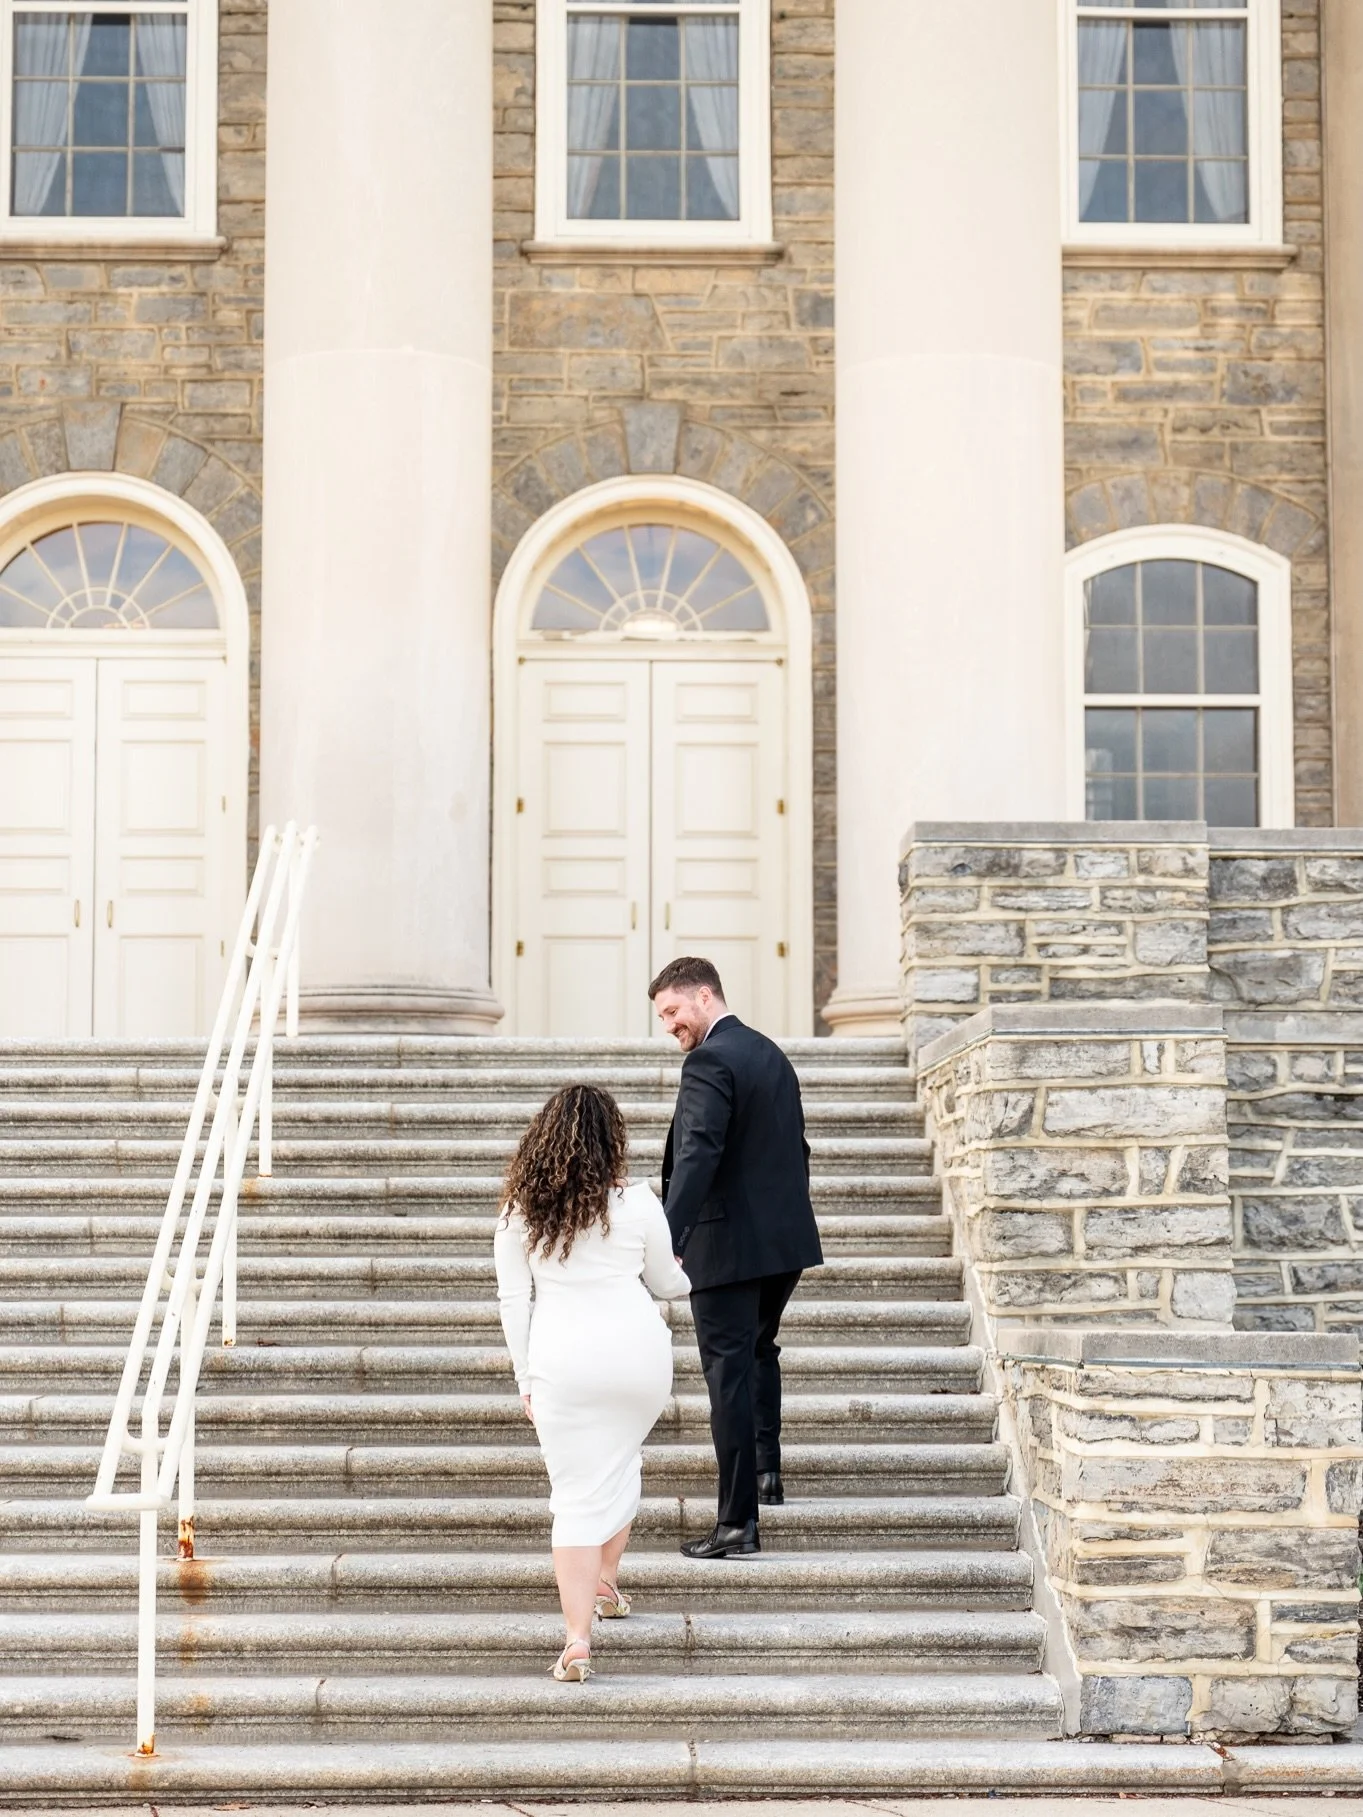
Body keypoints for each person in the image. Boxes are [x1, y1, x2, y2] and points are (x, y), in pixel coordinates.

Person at [493, 1083, 690, 1683]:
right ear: (613, 1139)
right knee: (623, 1460)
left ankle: (577, 1640)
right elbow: (668, 1284)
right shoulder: (638, 1201)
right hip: (638, 1360)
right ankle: (606, 1579)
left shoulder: (519, 1210)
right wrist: (685, 1270)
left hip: (565, 1364)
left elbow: (513, 1300)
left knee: (577, 1495)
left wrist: (525, 1375)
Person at [650, 956, 823, 1559]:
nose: (670, 1026)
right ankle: (766, 1476)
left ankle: (736, 1525)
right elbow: (797, 1147)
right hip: (783, 1243)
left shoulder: (709, 1060)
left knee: (727, 1375)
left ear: (705, 996)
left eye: (673, 1011)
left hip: (725, 1244)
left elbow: (696, 1155)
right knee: (757, 1353)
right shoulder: (771, 1053)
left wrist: (665, 1238)